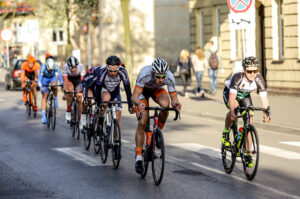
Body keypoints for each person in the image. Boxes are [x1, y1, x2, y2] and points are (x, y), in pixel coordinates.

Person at [132, 58, 182, 174]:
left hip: (156, 91)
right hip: (142, 93)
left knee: (166, 104)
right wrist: (139, 104)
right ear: (153, 73)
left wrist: (176, 104)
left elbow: (174, 99)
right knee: (142, 122)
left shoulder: (169, 76)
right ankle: (139, 158)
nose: (161, 79)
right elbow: (134, 96)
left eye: (163, 77)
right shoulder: (145, 73)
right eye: (158, 77)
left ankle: (158, 131)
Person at [222, 56, 270, 167]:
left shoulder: (259, 78)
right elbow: (232, 98)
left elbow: (264, 98)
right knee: (235, 110)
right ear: (244, 70)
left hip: (244, 96)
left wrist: (266, 114)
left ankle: (248, 153)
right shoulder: (238, 77)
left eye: (255, 70)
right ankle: (226, 132)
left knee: (250, 120)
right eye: (249, 71)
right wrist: (233, 112)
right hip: (230, 93)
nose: (253, 74)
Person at [94, 56, 134, 148]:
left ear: (119, 68)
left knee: (118, 116)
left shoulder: (122, 72)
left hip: (115, 93)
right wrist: (98, 103)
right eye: (110, 70)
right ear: (107, 67)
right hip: (104, 90)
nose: (113, 73)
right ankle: (100, 124)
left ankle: (116, 141)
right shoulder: (102, 72)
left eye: (115, 71)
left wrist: (130, 105)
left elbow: (128, 90)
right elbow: (98, 88)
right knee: (105, 100)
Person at [38, 57, 63, 124]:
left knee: (54, 86)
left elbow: (60, 77)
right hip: (45, 79)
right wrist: (41, 87)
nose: (50, 71)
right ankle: (43, 116)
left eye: (51, 70)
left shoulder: (56, 67)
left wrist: (62, 84)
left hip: (52, 78)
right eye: (49, 70)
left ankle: (55, 98)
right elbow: (39, 79)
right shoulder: (43, 67)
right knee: (44, 95)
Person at [62, 56, 86, 123]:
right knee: (70, 90)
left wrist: (82, 91)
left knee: (79, 97)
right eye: (72, 67)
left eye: (76, 67)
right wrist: (64, 92)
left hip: (78, 80)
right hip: (70, 79)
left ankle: (81, 116)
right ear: (69, 66)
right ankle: (69, 109)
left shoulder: (81, 66)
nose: (74, 69)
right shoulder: (65, 66)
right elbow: (65, 80)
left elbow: (83, 80)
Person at [80, 64, 103, 129]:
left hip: (97, 86)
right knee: (88, 100)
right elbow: (85, 86)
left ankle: (95, 119)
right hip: (88, 85)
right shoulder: (91, 75)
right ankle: (83, 117)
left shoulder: (104, 75)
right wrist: (85, 99)